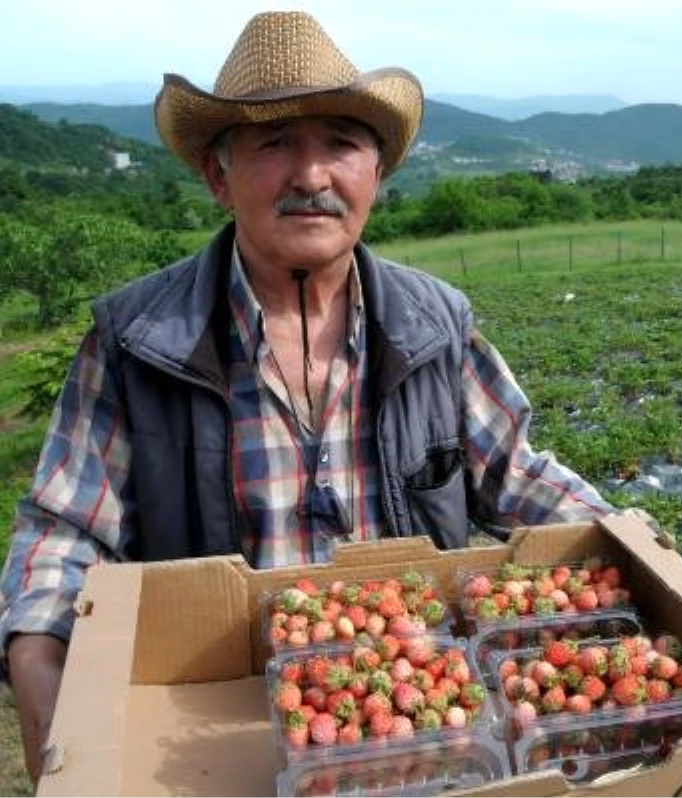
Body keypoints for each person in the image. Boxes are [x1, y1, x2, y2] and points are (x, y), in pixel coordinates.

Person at [0, 11, 614, 784]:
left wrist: (634, 541)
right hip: (224, 728)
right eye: (275, 143)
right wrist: (36, 655)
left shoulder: (435, 327)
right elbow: (63, 532)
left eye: (341, 144)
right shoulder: (136, 343)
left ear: (378, 176)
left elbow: (518, 475)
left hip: (418, 706)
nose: (312, 176)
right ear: (218, 176)